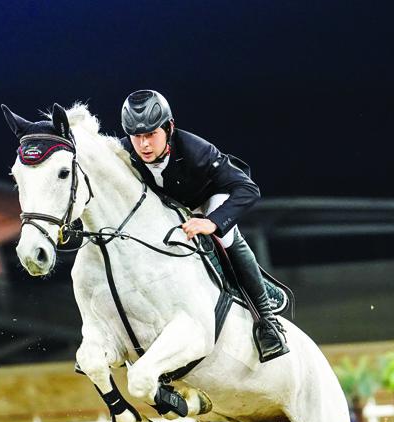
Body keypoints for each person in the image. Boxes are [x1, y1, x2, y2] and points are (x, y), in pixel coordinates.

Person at [120, 90, 289, 362]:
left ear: (169, 128)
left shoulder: (197, 151)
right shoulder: (124, 152)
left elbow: (247, 189)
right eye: (136, 136)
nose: (143, 145)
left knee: (225, 238)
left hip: (210, 200)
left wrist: (213, 222)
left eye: (151, 134)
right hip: (171, 209)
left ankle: (268, 323)